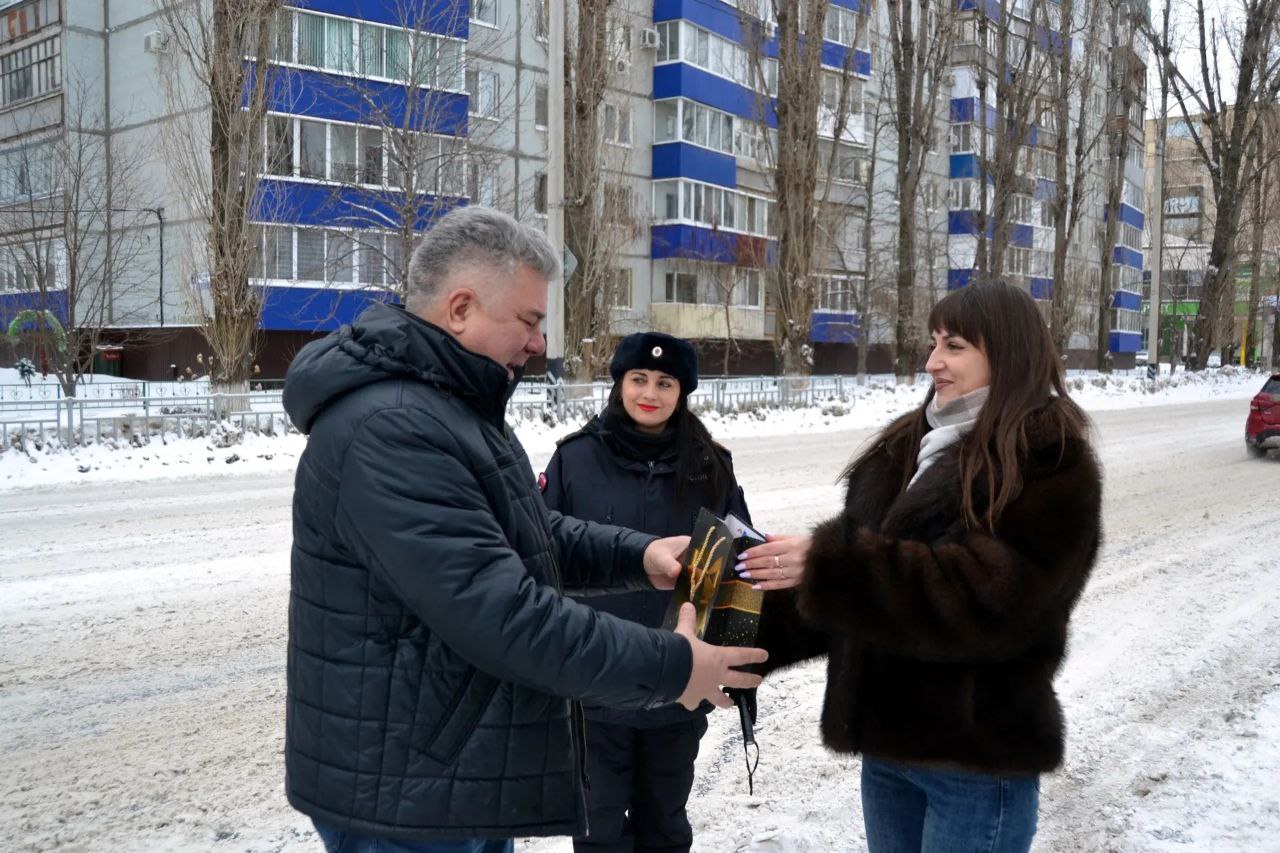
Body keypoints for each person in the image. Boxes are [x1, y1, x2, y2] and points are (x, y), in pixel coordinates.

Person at [281, 206, 767, 852]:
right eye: (531, 321)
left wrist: (640, 554)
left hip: (448, 777)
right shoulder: (391, 429)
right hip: (405, 798)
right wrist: (676, 665)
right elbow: (506, 612)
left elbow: (528, 534)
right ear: (461, 309)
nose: (541, 343)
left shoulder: (450, 407)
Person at [735, 281, 1103, 852]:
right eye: (933, 343)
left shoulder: (1048, 458)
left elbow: (994, 600)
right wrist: (736, 639)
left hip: (976, 763)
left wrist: (835, 565)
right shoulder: (908, 448)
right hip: (888, 755)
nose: (933, 362)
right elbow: (860, 598)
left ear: (1005, 352)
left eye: (953, 346)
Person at [541, 332, 752, 853]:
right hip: (594, 680)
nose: (649, 392)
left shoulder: (711, 465)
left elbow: (737, 569)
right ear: (619, 384)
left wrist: (732, 670)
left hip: (678, 683)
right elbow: (543, 557)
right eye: (638, 378)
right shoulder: (574, 459)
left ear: (683, 392)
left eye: (665, 382)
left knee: (665, 825)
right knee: (597, 829)